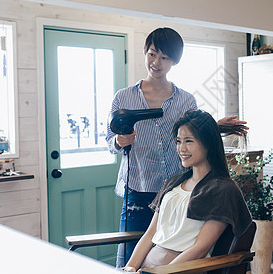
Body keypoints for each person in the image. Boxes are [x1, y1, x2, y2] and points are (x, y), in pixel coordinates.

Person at [106, 27, 247, 267]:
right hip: (139, 190)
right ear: (145, 53)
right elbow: (111, 141)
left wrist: (217, 126)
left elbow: (194, 131)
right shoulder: (124, 97)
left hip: (176, 187)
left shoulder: (185, 100)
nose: (156, 62)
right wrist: (119, 141)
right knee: (128, 261)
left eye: (164, 57)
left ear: (174, 61)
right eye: (152, 54)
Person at [122, 109, 252, 272]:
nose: (181, 148)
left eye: (189, 141)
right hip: (147, 269)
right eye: (178, 141)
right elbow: (150, 234)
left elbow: (200, 249)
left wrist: (161, 272)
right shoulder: (173, 183)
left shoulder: (222, 190)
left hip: (181, 270)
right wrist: (130, 268)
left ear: (208, 143)